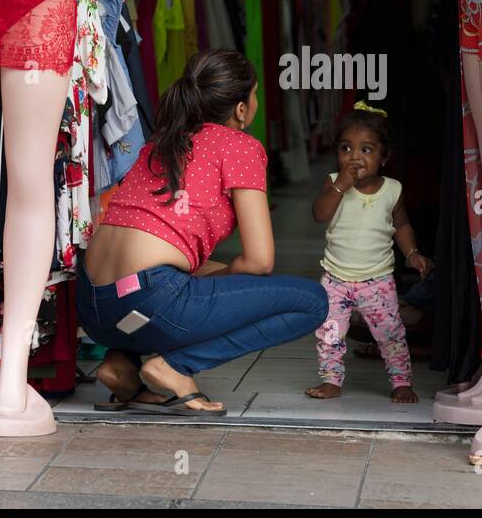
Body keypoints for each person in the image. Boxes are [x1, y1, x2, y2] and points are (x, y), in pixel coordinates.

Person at [78, 49, 329, 416]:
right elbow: (259, 262)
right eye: (255, 94)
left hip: (93, 306)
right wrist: (223, 281)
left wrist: (215, 278)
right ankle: (177, 366)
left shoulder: (160, 143)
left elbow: (162, 251)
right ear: (241, 109)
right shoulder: (240, 146)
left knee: (173, 283)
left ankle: (122, 365)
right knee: (312, 301)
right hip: (150, 299)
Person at [306, 104, 433, 403]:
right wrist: (340, 186)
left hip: (377, 280)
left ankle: (401, 381)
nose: (354, 157)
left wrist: (413, 253)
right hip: (336, 278)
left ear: (384, 157)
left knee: (390, 334)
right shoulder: (333, 181)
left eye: (366, 150)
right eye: (346, 148)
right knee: (330, 333)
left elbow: (401, 226)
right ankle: (331, 380)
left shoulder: (392, 189)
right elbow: (319, 214)